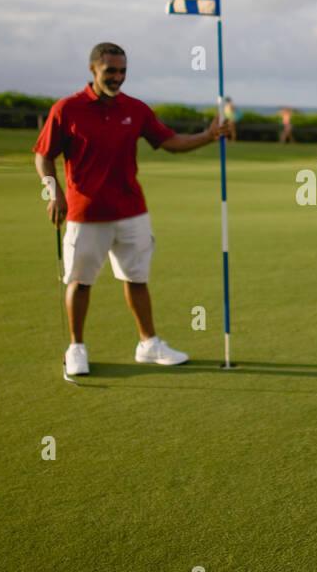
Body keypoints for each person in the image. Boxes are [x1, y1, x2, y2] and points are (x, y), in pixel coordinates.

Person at [33, 42, 233, 376]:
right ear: (93, 69)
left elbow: (170, 142)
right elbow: (43, 155)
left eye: (123, 71)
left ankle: (148, 344)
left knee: (137, 279)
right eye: (111, 70)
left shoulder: (136, 109)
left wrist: (209, 136)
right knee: (81, 282)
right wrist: (53, 191)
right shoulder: (67, 109)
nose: (118, 77)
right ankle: (76, 347)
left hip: (131, 210)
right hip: (86, 212)